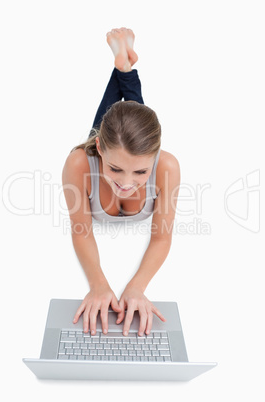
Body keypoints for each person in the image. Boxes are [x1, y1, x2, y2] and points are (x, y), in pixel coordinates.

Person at [62, 28, 180, 337]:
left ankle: (123, 66)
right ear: (99, 150)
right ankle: (124, 67)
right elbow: (81, 231)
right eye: (114, 169)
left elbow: (161, 238)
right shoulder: (80, 163)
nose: (126, 184)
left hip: (129, 149)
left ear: (154, 160)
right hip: (104, 144)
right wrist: (98, 284)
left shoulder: (165, 165)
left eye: (141, 173)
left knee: (134, 120)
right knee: (114, 119)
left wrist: (136, 286)